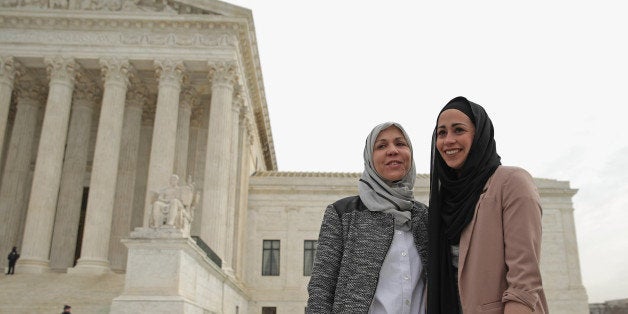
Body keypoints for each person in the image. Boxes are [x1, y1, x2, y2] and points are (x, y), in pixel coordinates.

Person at [426, 96, 548, 313]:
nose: (448, 140)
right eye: (441, 133)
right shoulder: (443, 199)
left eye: (459, 130)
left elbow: (524, 281)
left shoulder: (511, 182)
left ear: (479, 134)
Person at [307, 122, 428, 313]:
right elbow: (321, 290)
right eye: (381, 146)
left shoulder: (426, 218)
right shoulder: (343, 214)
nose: (392, 150)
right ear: (369, 159)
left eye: (400, 143)